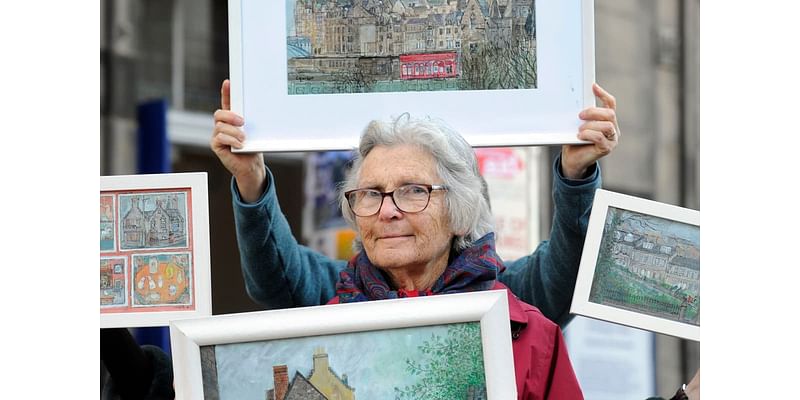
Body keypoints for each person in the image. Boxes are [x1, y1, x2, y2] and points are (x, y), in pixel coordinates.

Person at [211, 80, 620, 329]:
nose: (388, 210)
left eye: (413, 191)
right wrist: (251, 180)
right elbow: (274, 277)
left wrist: (576, 174)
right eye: (371, 193)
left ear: (460, 213)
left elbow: (568, 273)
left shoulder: (508, 297)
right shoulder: (337, 294)